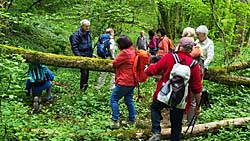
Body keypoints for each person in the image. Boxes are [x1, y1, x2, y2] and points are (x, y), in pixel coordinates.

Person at [145, 37, 202, 141]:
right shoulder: (194, 65)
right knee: (176, 123)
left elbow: (155, 69)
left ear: (179, 46)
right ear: (191, 49)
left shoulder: (170, 57)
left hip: (164, 94)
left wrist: (146, 69)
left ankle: (156, 132)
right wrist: (198, 106)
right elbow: (197, 88)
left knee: (155, 107)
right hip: (180, 98)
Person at [110, 35, 137, 129]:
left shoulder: (124, 53)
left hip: (124, 81)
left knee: (113, 99)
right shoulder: (132, 51)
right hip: (132, 81)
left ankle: (115, 121)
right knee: (129, 100)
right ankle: (132, 120)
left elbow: (115, 63)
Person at [69, 19, 93, 91]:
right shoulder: (76, 35)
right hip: (81, 55)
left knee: (87, 73)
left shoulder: (88, 34)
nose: (87, 28)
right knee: (84, 73)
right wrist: (79, 56)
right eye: (86, 26)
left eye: (88, 26)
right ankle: (82, 89)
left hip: (88, 55)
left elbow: (89, 44)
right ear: (82, 26)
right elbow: (74, 47)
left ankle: (84, 88)